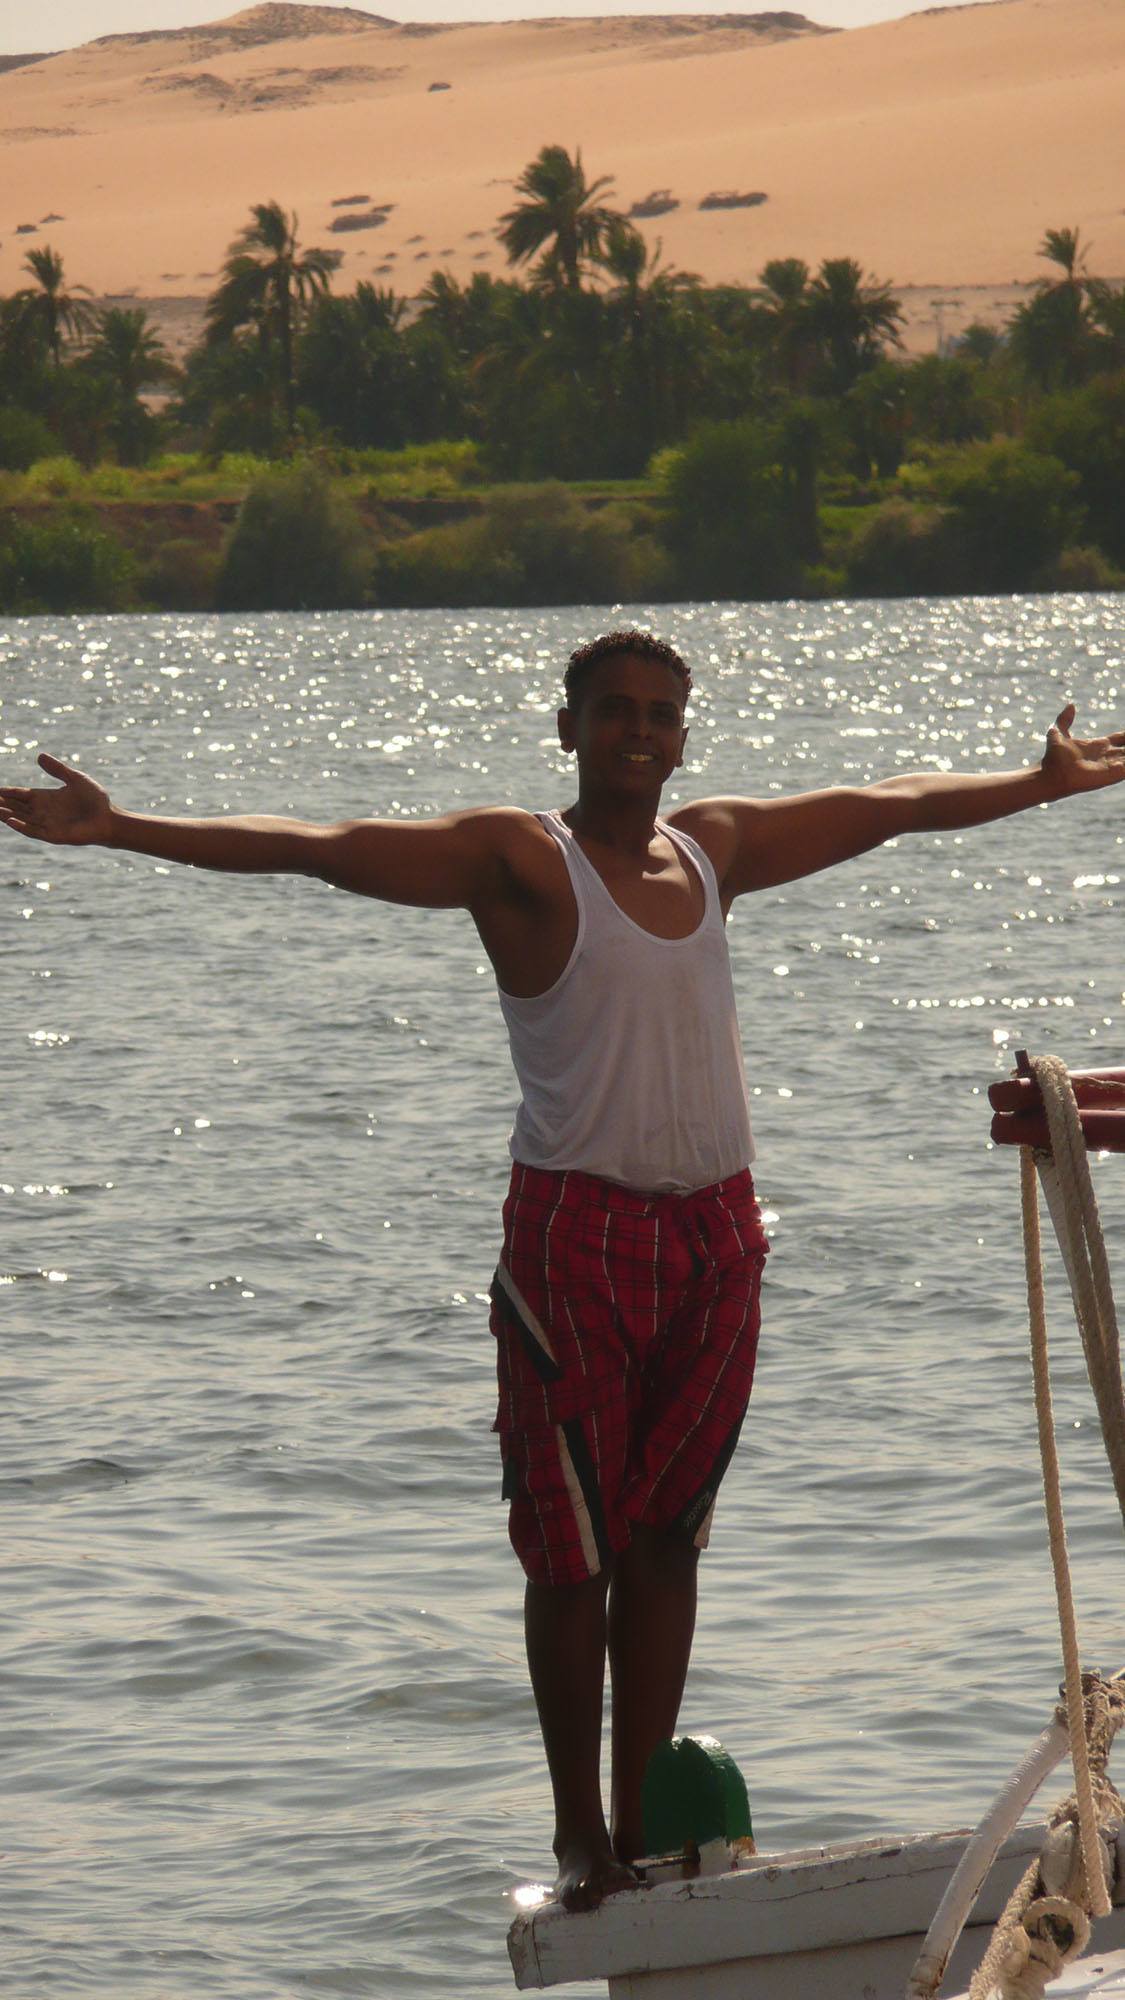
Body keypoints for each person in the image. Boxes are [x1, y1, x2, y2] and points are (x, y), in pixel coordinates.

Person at [3, 628, 1124, 1913]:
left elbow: (883, 811)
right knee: (572, 1555)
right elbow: (319, 846)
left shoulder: (713, 849)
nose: (637, 732)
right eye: (612, 712)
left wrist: (1037, 785)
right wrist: (124, 824)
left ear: (686, 735)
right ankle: (580, 1830)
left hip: (715, 1240)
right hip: (574, 1241)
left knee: (664, 1543)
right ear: (569, 727)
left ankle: (647, 1822)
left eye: (660, 713)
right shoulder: (523, 861)